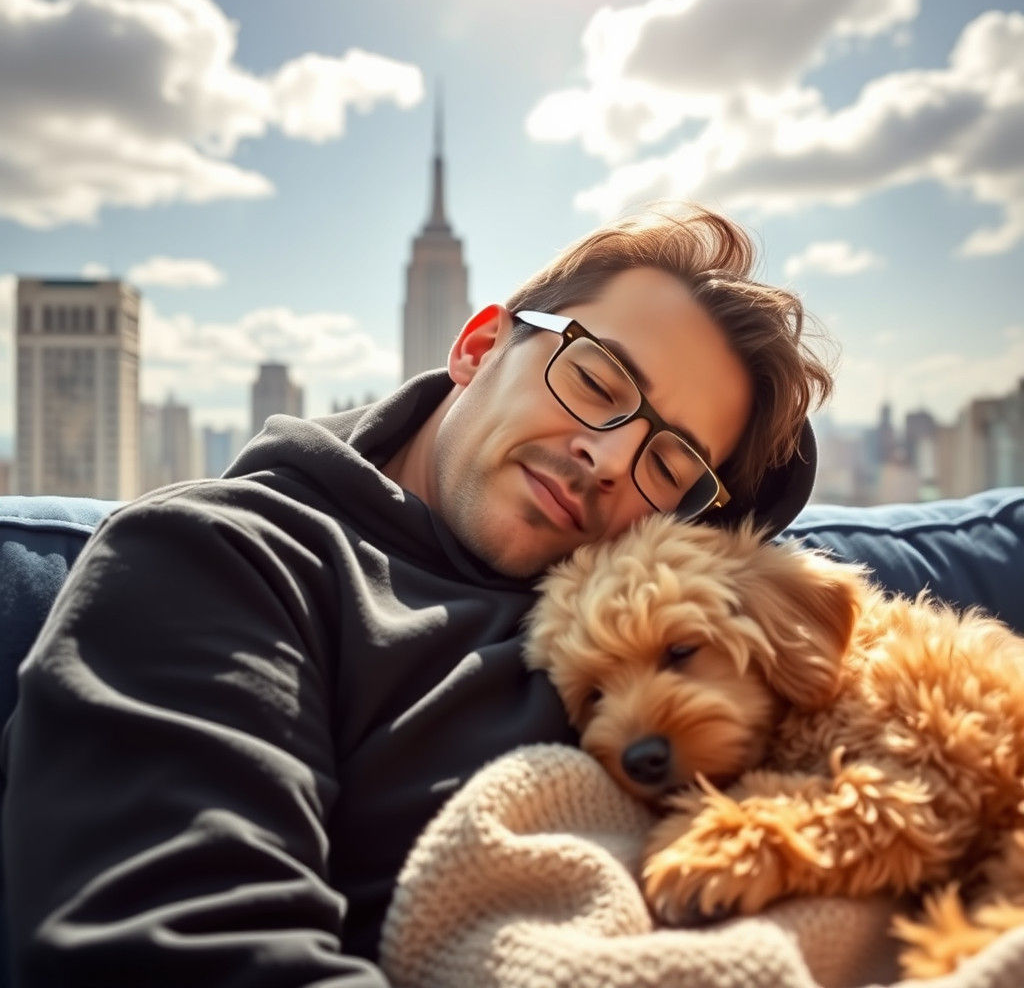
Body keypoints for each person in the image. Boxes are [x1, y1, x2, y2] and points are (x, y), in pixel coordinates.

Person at [1, 207, 833, 986]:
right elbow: (178, 951)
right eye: (595, 381)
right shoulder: (222, 558)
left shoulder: (653, 614)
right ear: (479, 346)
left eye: (669, 464)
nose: (612, 458)